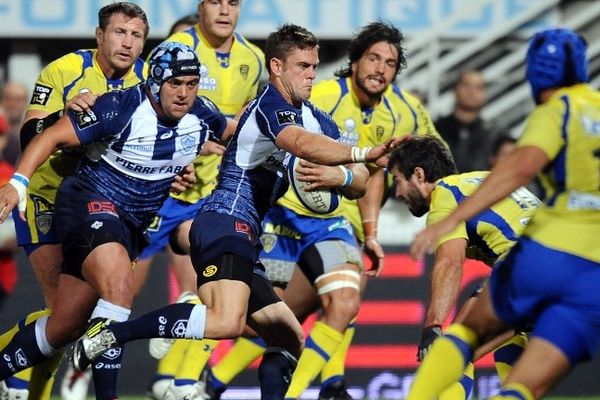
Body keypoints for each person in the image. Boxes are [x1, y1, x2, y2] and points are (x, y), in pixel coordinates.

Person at [70, 24, 398, 400]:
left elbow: (360, 181)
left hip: (246, 232)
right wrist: (360, 154)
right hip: (224, 220)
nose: (311, 74)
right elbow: (300, 143)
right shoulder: (269, 106)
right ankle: (113, 334)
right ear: (277, 67)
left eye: (314, 66)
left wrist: (341, 172)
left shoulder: (316, 118)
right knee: (227, 321)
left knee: (290, 338)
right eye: (303, 66)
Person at [201, 21, 440, 400]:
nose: (380, 68)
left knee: (343, 301)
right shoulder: (319, 94)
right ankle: (210, 377)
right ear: (355, 61)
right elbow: (276, 136)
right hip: (280, 219)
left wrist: (364, 216)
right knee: (268, 321)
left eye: (390, 63)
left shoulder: (406, 112)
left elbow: (374, 175)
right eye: (373, 58)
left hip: (329, 224)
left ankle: (329, 385)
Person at [0, 40, 231, 400]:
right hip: (88, 206)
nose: (184, 93)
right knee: (119, 289)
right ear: (155, 82)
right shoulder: (118, 107)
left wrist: (285, 149)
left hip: (132, 224)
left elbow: (235, 133)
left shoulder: (202, 114)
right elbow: (50, 136)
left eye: (191, 84)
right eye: (175, 83)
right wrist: (18, 183)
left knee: (66, 326)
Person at [407, 28, 599, 400]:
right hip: (593, 275)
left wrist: (449, 219)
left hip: (550, 250)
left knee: (465, 333)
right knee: (524, 385)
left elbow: (519, 168)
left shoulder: (559, 109)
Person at [0, 4, 150, 400]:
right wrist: (60, 115)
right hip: (50, 195)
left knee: (77, 319)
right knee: (61, 315)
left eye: (136, 36)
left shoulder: (147, 81)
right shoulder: (64, 70)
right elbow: (31, 132)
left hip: (107, 202)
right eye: (119, 32)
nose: (128, 43)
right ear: (99, 36)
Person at [130, 2, 266, 399]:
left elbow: (250, 122)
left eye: (233, 3)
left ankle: (179, 381)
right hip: (162, 189)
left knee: (215, 290)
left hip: (215, 196)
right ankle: (83, 369)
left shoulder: (253, 59)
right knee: (120, 291)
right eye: (216, 2)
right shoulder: (176, 47)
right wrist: (193, 146)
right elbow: (148, 109)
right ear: (202, 6)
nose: (225, 11)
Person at [388, 135, 539, 399]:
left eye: (398, 180)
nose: (397, 193)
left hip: (531, 265)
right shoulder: (484, 178)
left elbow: (449, 261)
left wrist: (432, 326)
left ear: (419, 175)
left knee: (452, 352)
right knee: (510, 344)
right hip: (574, 265)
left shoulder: (445, 192)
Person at [434, 69, 500, 172]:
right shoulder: (435, 128)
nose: (471, 92)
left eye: (478, 88)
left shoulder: (495, 135)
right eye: (466, 85)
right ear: (455, 89)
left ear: (484, 94)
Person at [0, 82, 29, 166]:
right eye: (8, 98)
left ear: (26, 102)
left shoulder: (32, 133)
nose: (13, 104)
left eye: (18, 99)